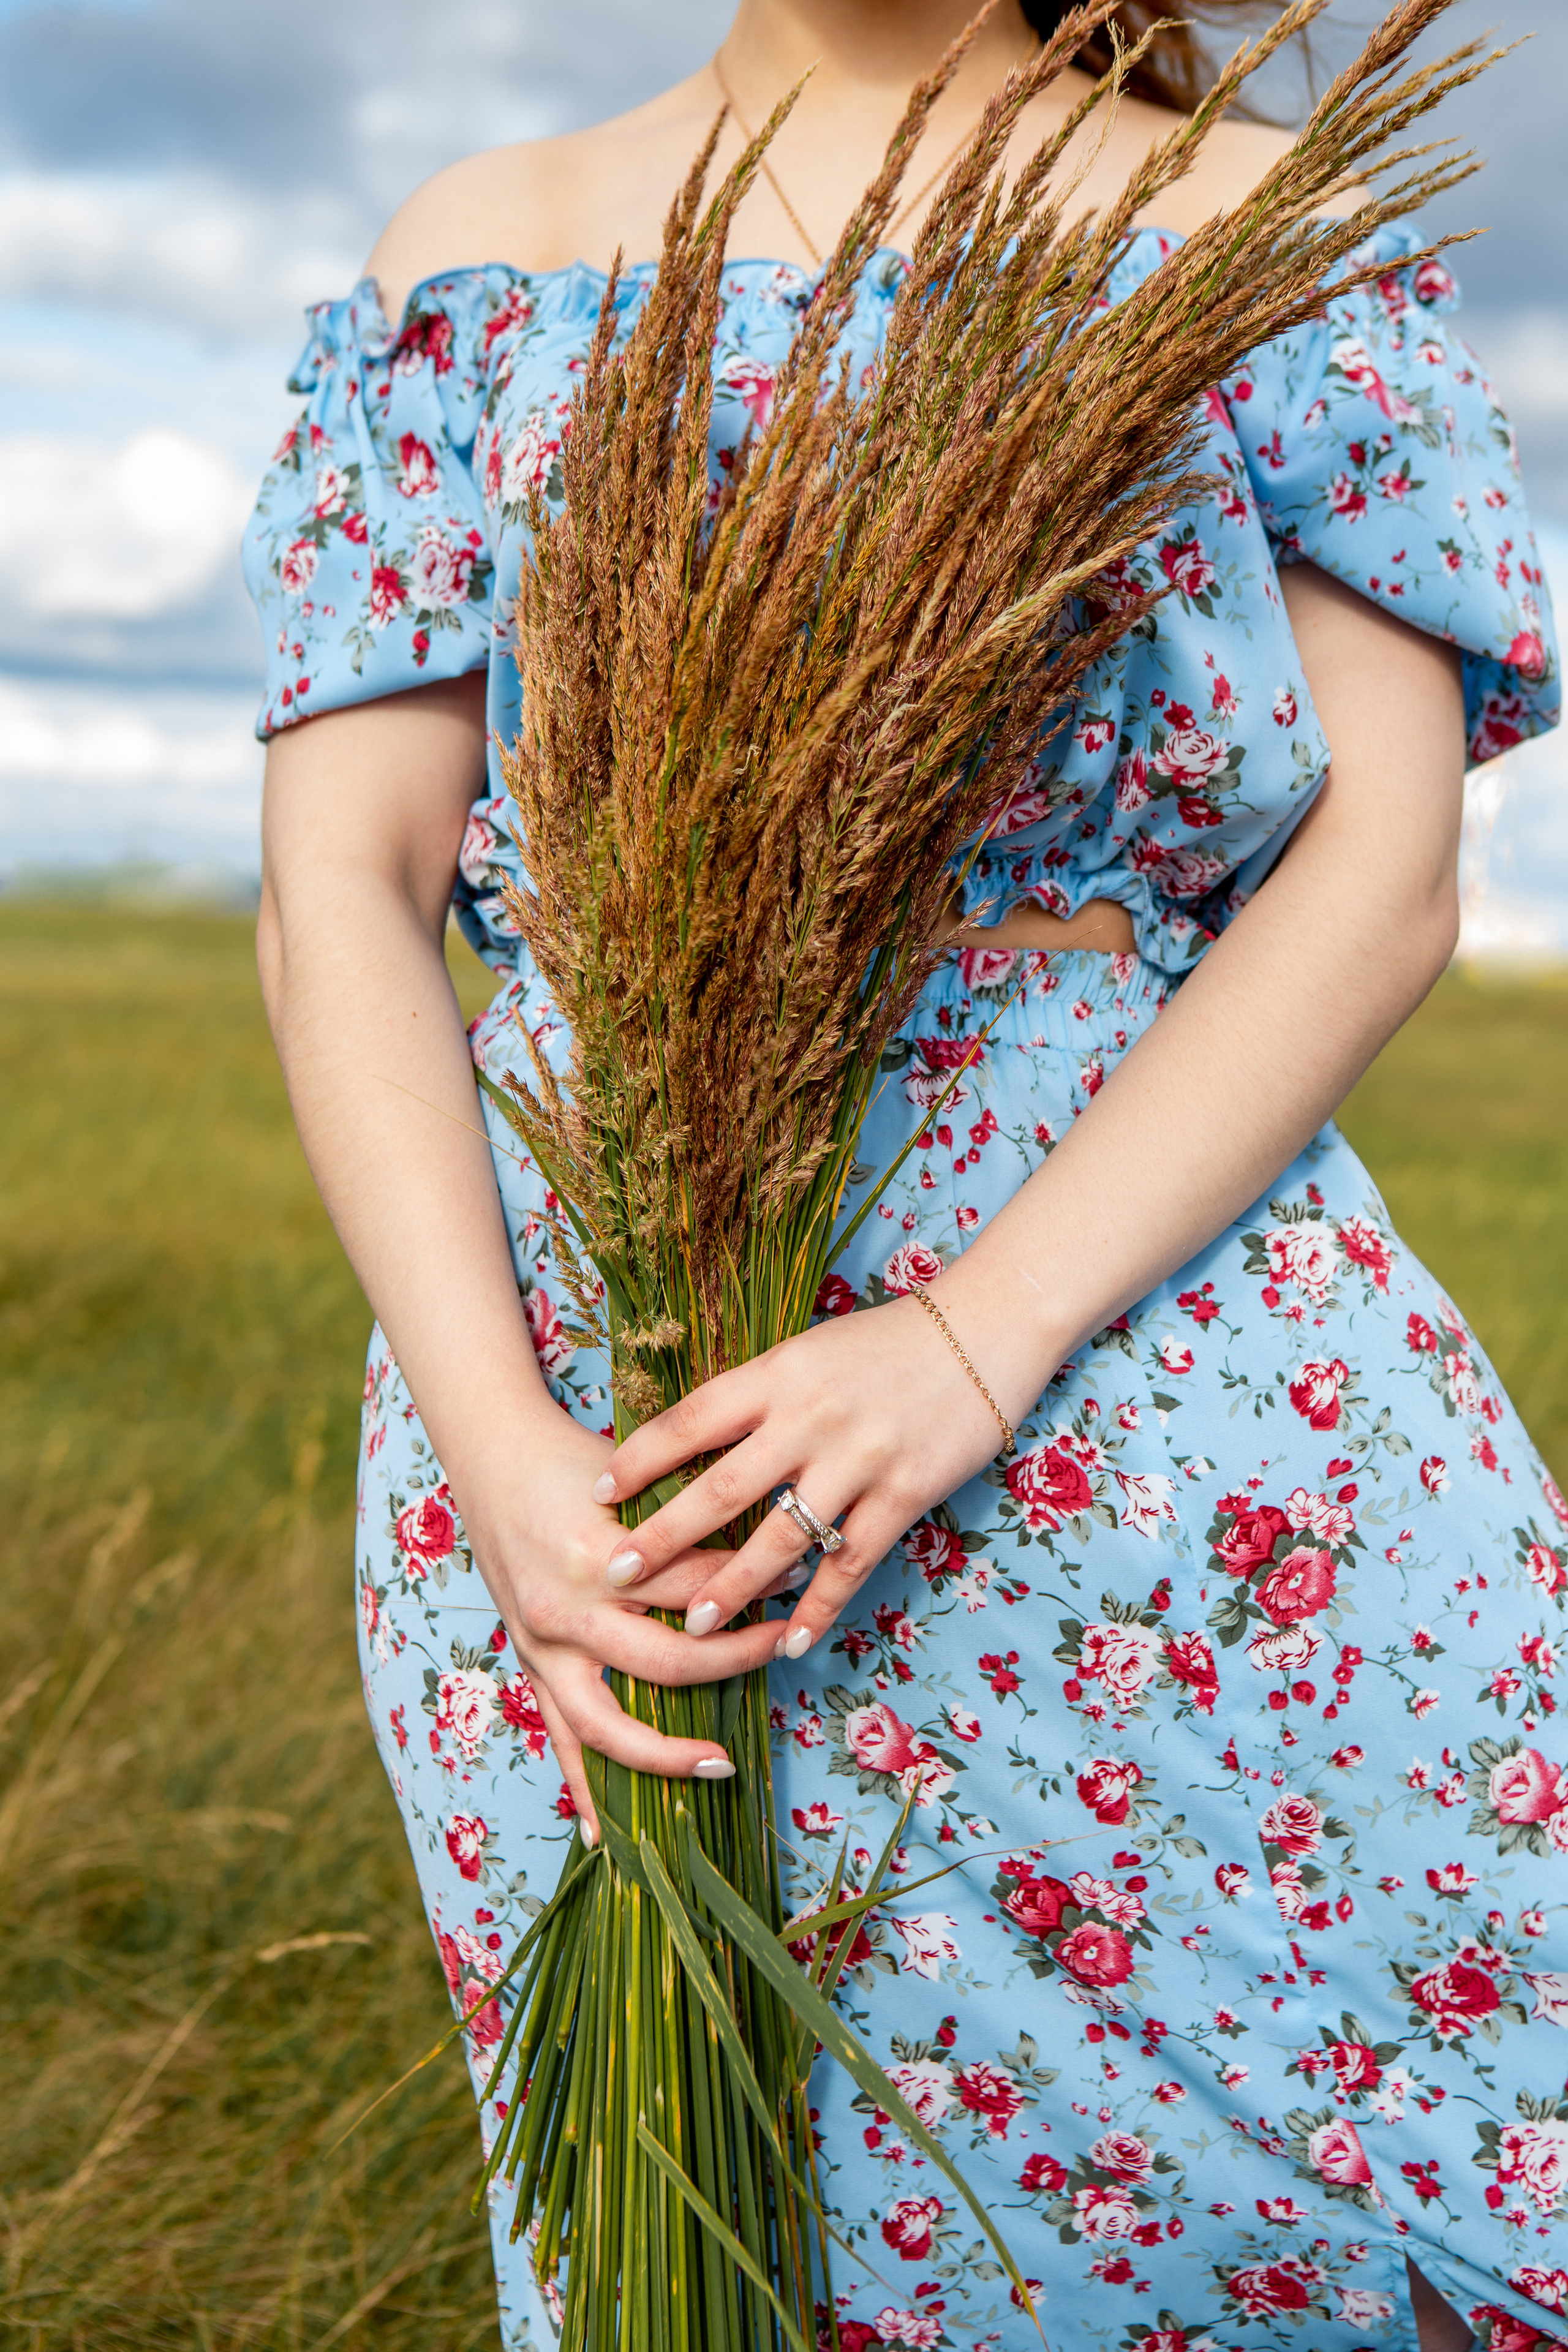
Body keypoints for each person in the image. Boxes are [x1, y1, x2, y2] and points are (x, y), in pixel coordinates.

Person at [243, 2, 1564, 2346]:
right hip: (595, 1411)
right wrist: (501, 1458)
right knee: (750, 2226)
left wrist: (975, 1333)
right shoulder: (478, 250)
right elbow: (341, 883)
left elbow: (1384, 871)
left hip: (1150, 1349)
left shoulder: (1263, 225)